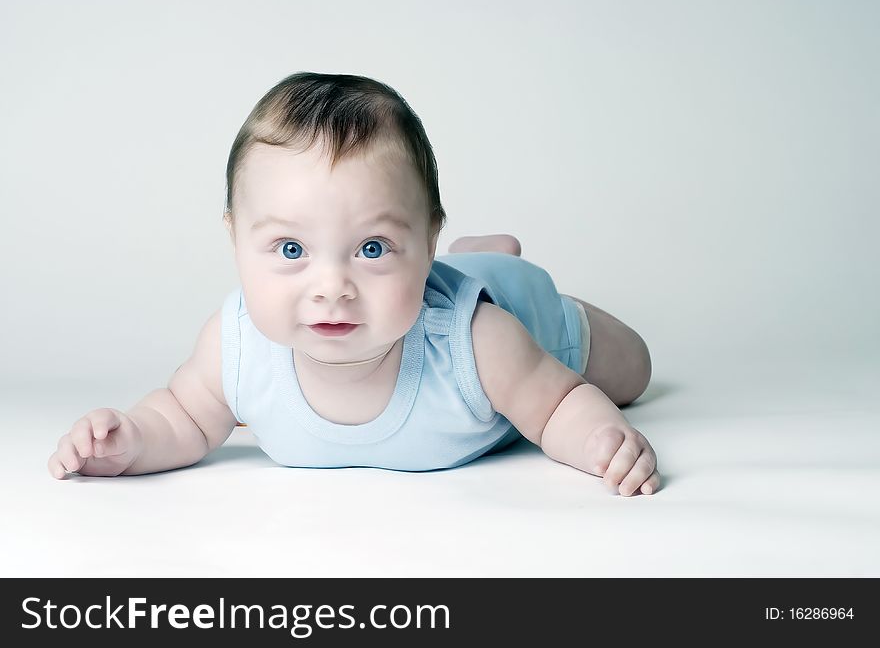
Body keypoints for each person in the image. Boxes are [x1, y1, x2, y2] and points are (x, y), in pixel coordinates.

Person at [47, 72, 660, 496]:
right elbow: (182, 417)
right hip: (444, 275)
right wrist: (130, 441)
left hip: (525, 308)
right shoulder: (234, 346)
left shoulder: (479, 342)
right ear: (235, 240)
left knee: (634, 369)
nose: (332, 287)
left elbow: (555, 405)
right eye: (292, 250)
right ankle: (465, 254)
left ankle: (484, 261)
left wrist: (600, 441)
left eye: (372, 248)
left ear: (426, 240)